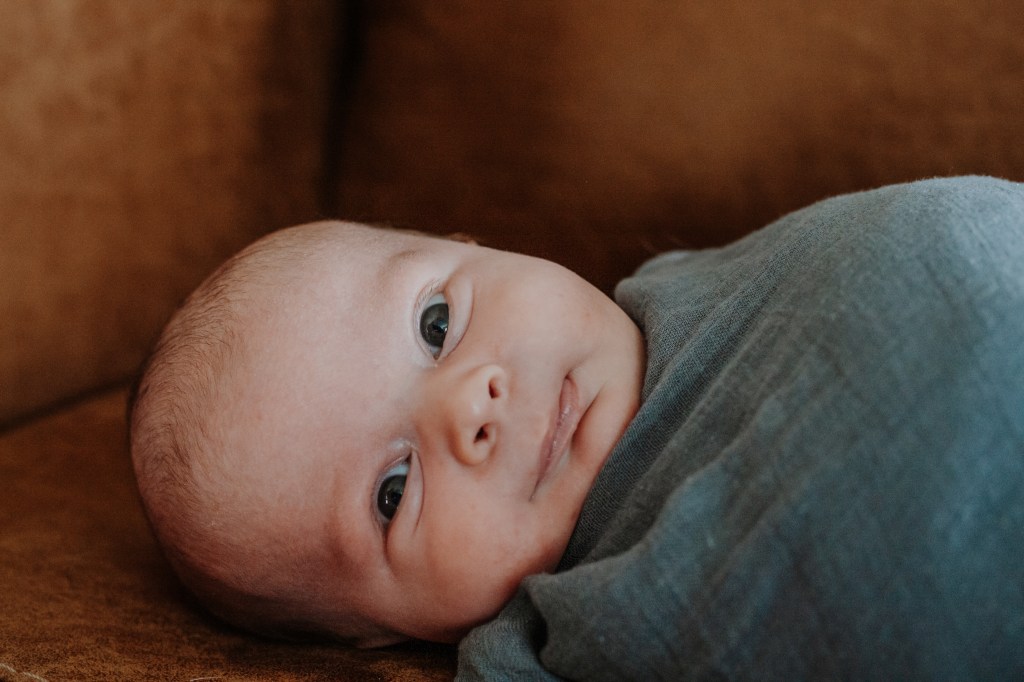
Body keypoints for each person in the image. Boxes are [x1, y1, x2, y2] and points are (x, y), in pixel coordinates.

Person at [130, 176, 1024, 678]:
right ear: (393, 633)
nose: (466, 409)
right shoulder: (535, 647)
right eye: (392, 494)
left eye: (436, 325)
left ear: (476, 244)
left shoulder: (687, 279)